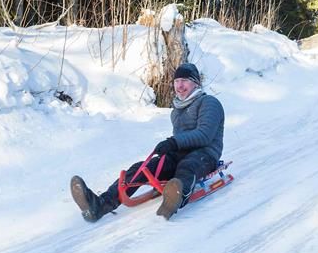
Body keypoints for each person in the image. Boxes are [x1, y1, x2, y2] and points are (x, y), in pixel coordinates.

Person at [70, 62, 225, 221]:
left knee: (188, 166)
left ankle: (176, 197)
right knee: (141, 168)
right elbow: (179, 141)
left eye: (185, 80)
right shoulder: (176, 111)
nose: (180, 85)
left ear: (196, 83)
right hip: (178, 156)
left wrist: (173, 142)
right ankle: (100, 205)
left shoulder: (209, 103)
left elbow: (204, 135)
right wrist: (170, 148)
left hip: (205, 155)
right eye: (176, 81)